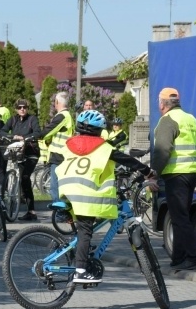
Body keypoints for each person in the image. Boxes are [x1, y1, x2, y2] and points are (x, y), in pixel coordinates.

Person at [59, 110, 154, 283]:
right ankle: (80, 270)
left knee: (83, 228)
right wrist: (147, 171)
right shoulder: (103, 147)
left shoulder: (69, 144)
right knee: (86, 230)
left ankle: (82, 252)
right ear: (99, 130)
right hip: (84, 195)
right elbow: (127, 160)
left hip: (66, 191)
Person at [150, 87, 196, 271]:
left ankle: (192, 257)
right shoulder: (190, 118)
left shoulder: (167, 120)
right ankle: (178, 257)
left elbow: (162, 150)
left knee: (179, 217)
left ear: (163, 104)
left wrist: (152, 175)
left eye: (159, 102)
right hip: (191, 172)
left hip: (176, 173)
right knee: (180, 216)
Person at [0, 99, 41, 221]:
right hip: (18, 153)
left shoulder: (32, 119)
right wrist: (12, 137)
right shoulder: (13, 119)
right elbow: (2, 131)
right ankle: (18, 198)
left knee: (25, 177)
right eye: (20, 107)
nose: (22, 109)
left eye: (25, 107)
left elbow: (38, 132)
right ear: (16, 109)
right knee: (19, 178)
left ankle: (31, 211)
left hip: (31, 153)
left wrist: (25, 138)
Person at [37, 91, 74, 203]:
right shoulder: (68, 115)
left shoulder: (62, 116)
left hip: (59, 155)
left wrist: (35, 136)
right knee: (60, 186)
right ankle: (63, 212)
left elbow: (49, 130)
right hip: (62, 154)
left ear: (57, 102)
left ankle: (60, 213)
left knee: (55, 187)